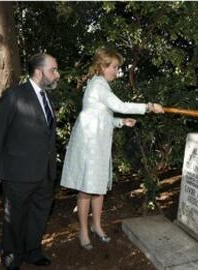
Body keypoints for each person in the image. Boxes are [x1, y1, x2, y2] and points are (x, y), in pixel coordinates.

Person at [60, 47, 164, 250]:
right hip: (89, 144)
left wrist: (120, 122)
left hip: (98, 143)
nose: (117, 71)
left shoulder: (101, 86)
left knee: (98, 187)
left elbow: (103, 115)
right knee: (86, 190)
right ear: (102, 66)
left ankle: (96, 226)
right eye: (115, 67)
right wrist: (149, 106)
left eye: (117, 67)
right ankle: (83, 230)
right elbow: (120, 105)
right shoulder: (98, 85)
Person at [0, 53, 60, 269]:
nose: (57, 75)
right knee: (15, 219)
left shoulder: (47, 97)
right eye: (53, 70)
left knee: (38, 215)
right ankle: (11, 258)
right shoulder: (14, 96)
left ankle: (33, 252)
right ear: (39, 72)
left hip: (45, 173)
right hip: (18, 172)